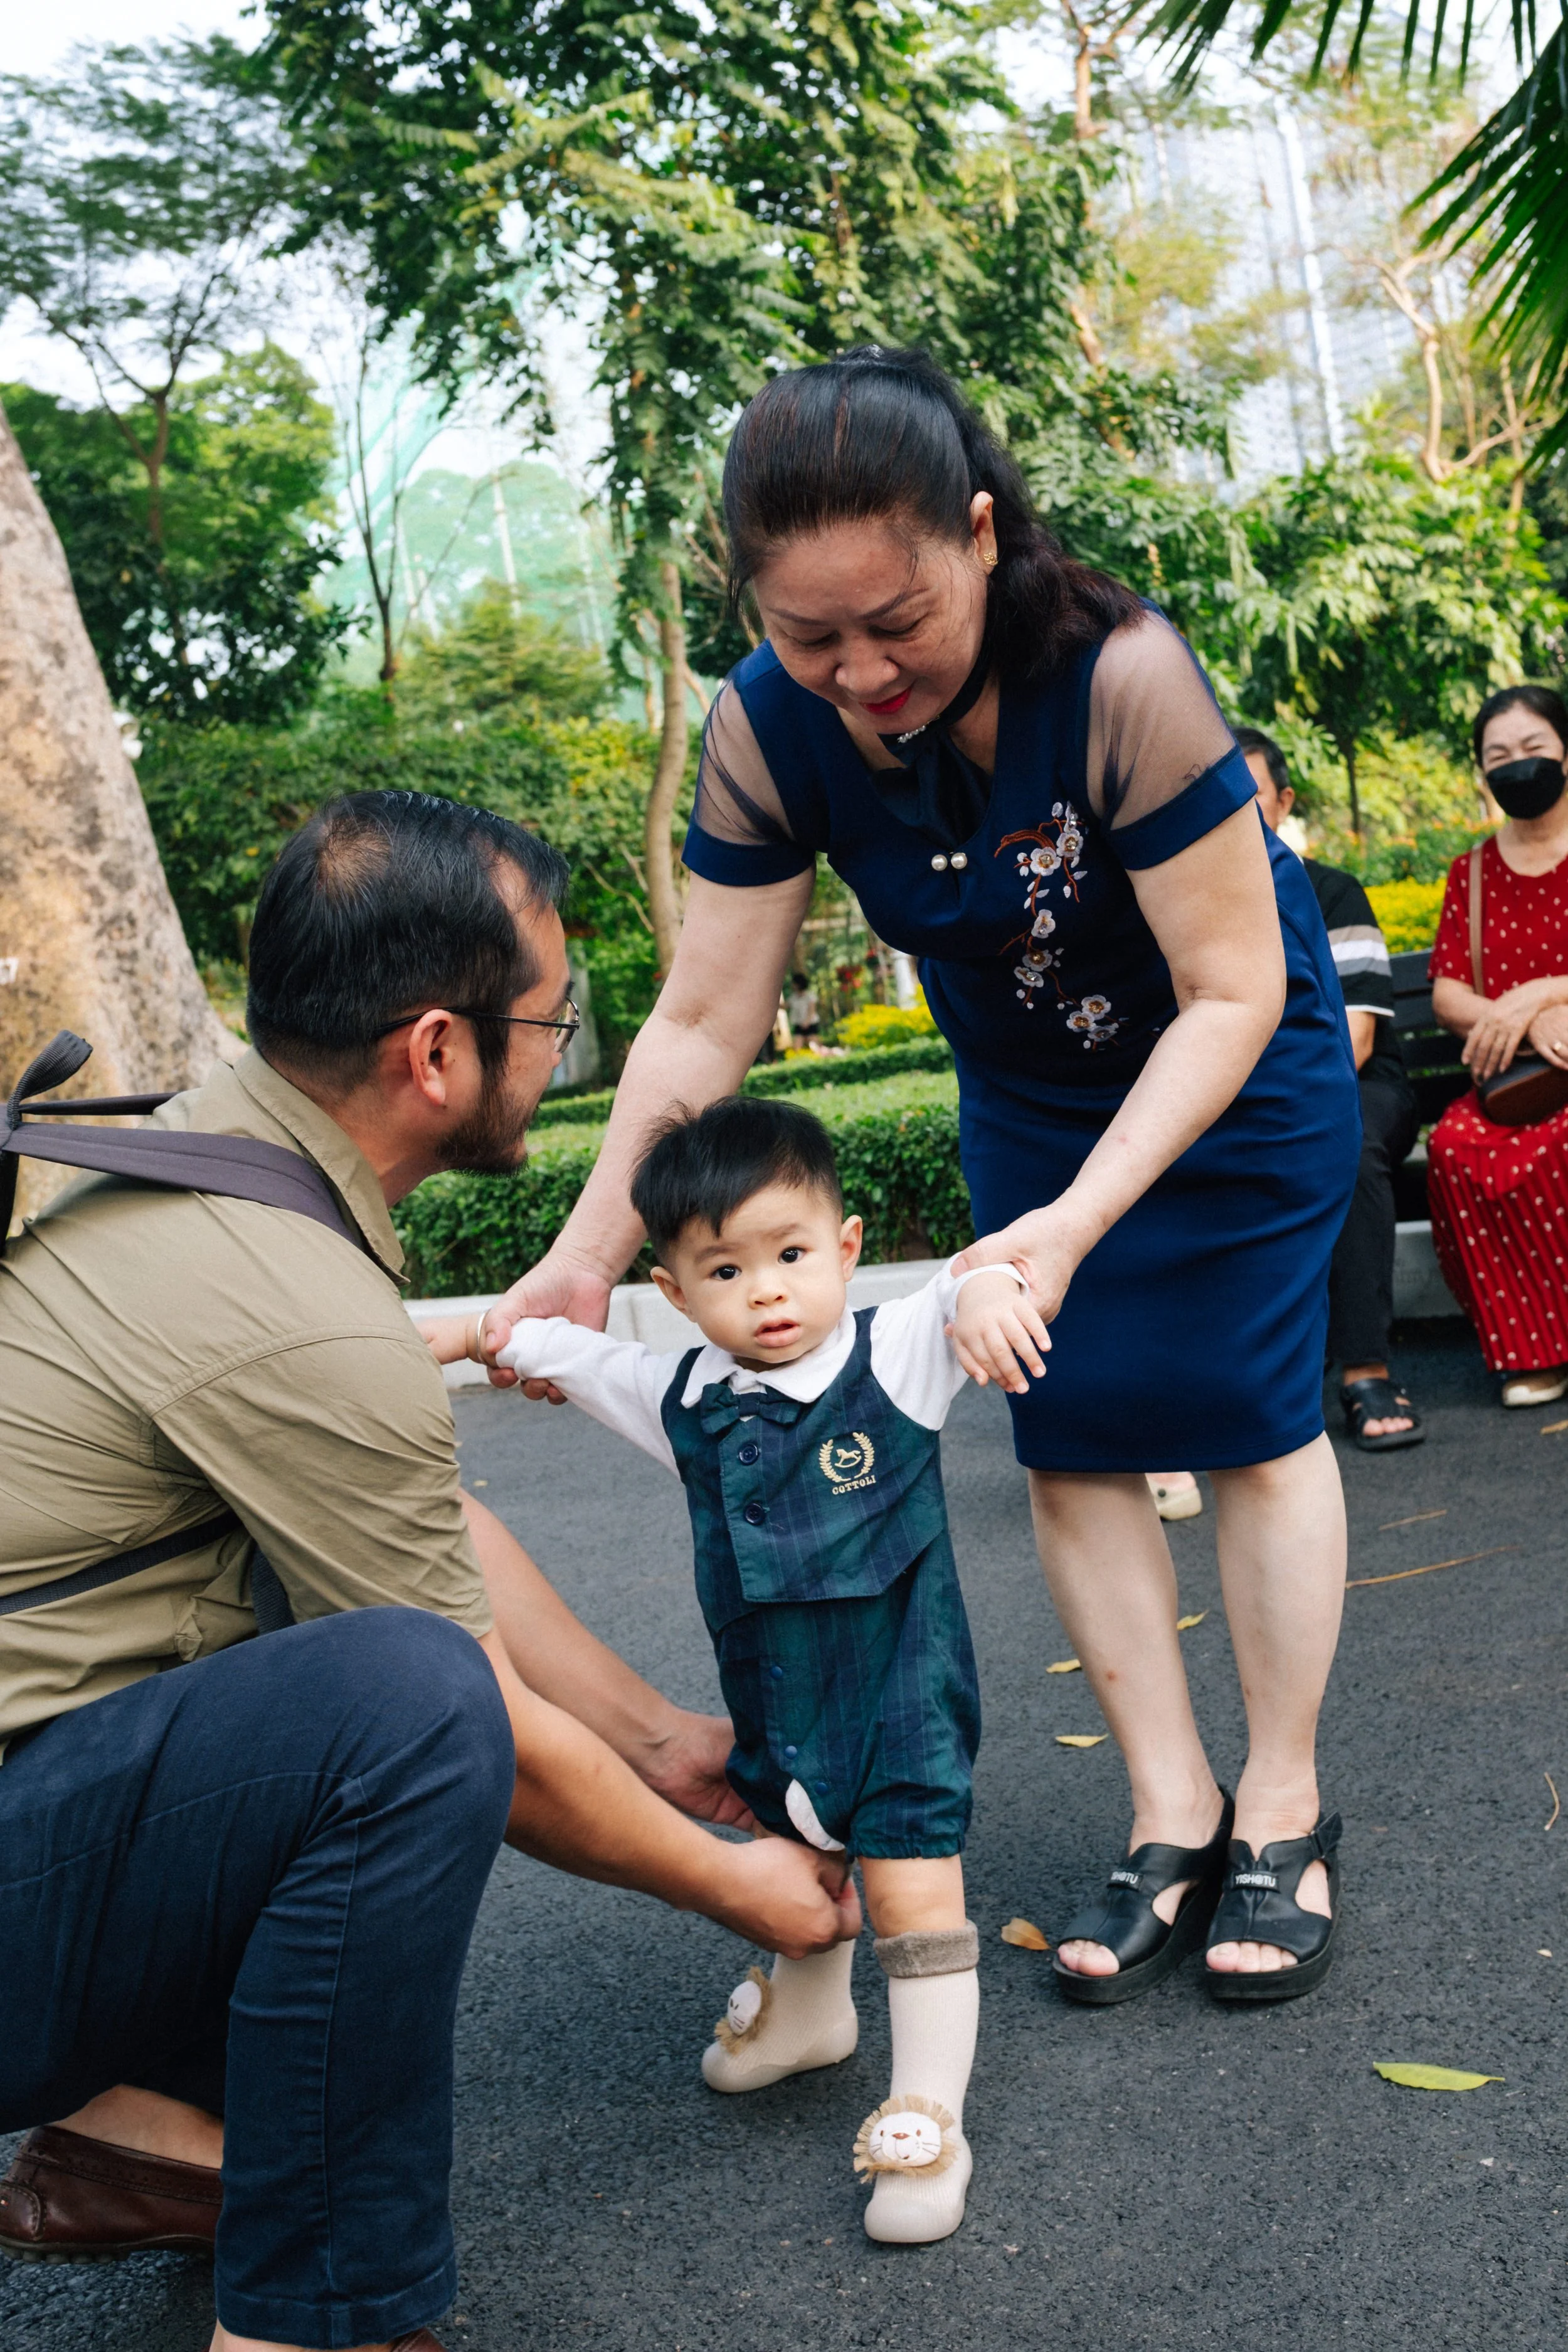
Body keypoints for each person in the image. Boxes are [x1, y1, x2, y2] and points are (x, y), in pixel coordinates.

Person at [481, 347, 1362, 2008]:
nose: (858, 670)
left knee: (1249, 1420)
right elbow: (698, 1019)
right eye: (806, 634)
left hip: (1225, 1066)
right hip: (1029, 1088)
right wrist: (581, 1251)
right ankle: (1172, 1807)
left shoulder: (1117, 675)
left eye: (895, 621)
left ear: (976, 532)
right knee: (1073, 1425)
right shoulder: (767, 725)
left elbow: (1231, 985)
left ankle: (1290, 1803)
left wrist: (1077, 1223)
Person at [0, 791, 855, 2352]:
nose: (561, 1046)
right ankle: (321, 2315)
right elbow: (471, 1712)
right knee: (401, 1704)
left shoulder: (198, 1171)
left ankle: (162, 2131)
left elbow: (412, 1520)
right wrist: (753, 1888)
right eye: (551, 1015)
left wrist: (666, 1746)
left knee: (352, 1627)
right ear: (439, 1051)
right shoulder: (299, 1308)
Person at [429, 1097, 1046, 2244]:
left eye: (793, 1255)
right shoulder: (688, 1400)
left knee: (912, 1895)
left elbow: (962, 1282)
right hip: (776, 1710)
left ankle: (928, 2112)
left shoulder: (893, 1358)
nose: (767, 1291)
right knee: (796, 1854)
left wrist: (995, 1287)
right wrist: (465, 1338)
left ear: (847, 1248)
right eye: (725, 1270)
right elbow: (561, 1350)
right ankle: (811, 2018)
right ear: (672, 1294)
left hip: (904, 1704)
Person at [1236, 727, 1424, 1450]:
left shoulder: (1331, 892)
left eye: (1245, 798)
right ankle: (1254, 1372)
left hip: (1354, 1088)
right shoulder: (1187, 901)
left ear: (1283, 802)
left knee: (1340, 1144)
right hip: (1248, 1100)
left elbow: (1355, 1043)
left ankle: (1365, 1369)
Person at [1428, 684, 1568, 1406]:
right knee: (1454, 1146)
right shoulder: (1472, 874)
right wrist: (1518, 1021)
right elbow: (1448, 993)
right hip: (1513, 1080)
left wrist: (1539, 995)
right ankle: (1532, 1351)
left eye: (1533, 749)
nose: (1517, 767)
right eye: (1498, 757)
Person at [788, 969, 821, 1042]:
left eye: (794, 983)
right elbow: (786, 1005)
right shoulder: (793, 997)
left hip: (811, 1024)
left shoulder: (810, 996)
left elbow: (812, 1011)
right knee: (797, 1046)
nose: (792, 985)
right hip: (799, 1024)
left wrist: (807, 1022)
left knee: (814, 1045)